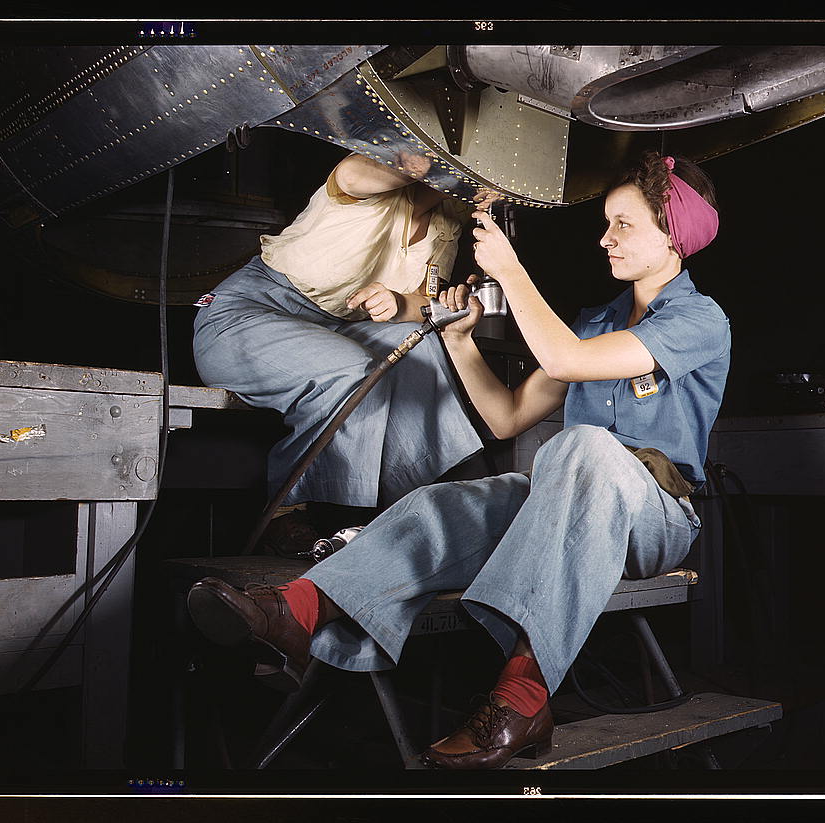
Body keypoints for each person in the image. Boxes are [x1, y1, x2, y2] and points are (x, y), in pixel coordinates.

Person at [186, 150, 730, 769]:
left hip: (654, 518)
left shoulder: (699, 319)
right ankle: (297, 614)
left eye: (624, 225)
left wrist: (512, 272)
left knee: (582, 446)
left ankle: (522, 697)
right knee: (445, 503)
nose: (605, 239)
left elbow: (565, 363)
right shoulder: (594, 321)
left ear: (674, 235)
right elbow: (505, 417)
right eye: (605, 222)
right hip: (568, 500)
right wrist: (459, 339)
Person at [191, 150, 493, 520]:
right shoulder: (372, 179)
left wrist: (399, 303)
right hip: (248, 314)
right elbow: (351, 176)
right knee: (350, 369)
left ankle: (428, 509)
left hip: (334, 328)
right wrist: (432, 164)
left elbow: (424, 302)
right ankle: (293, 514)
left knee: (422, 342)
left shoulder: (449, 221)